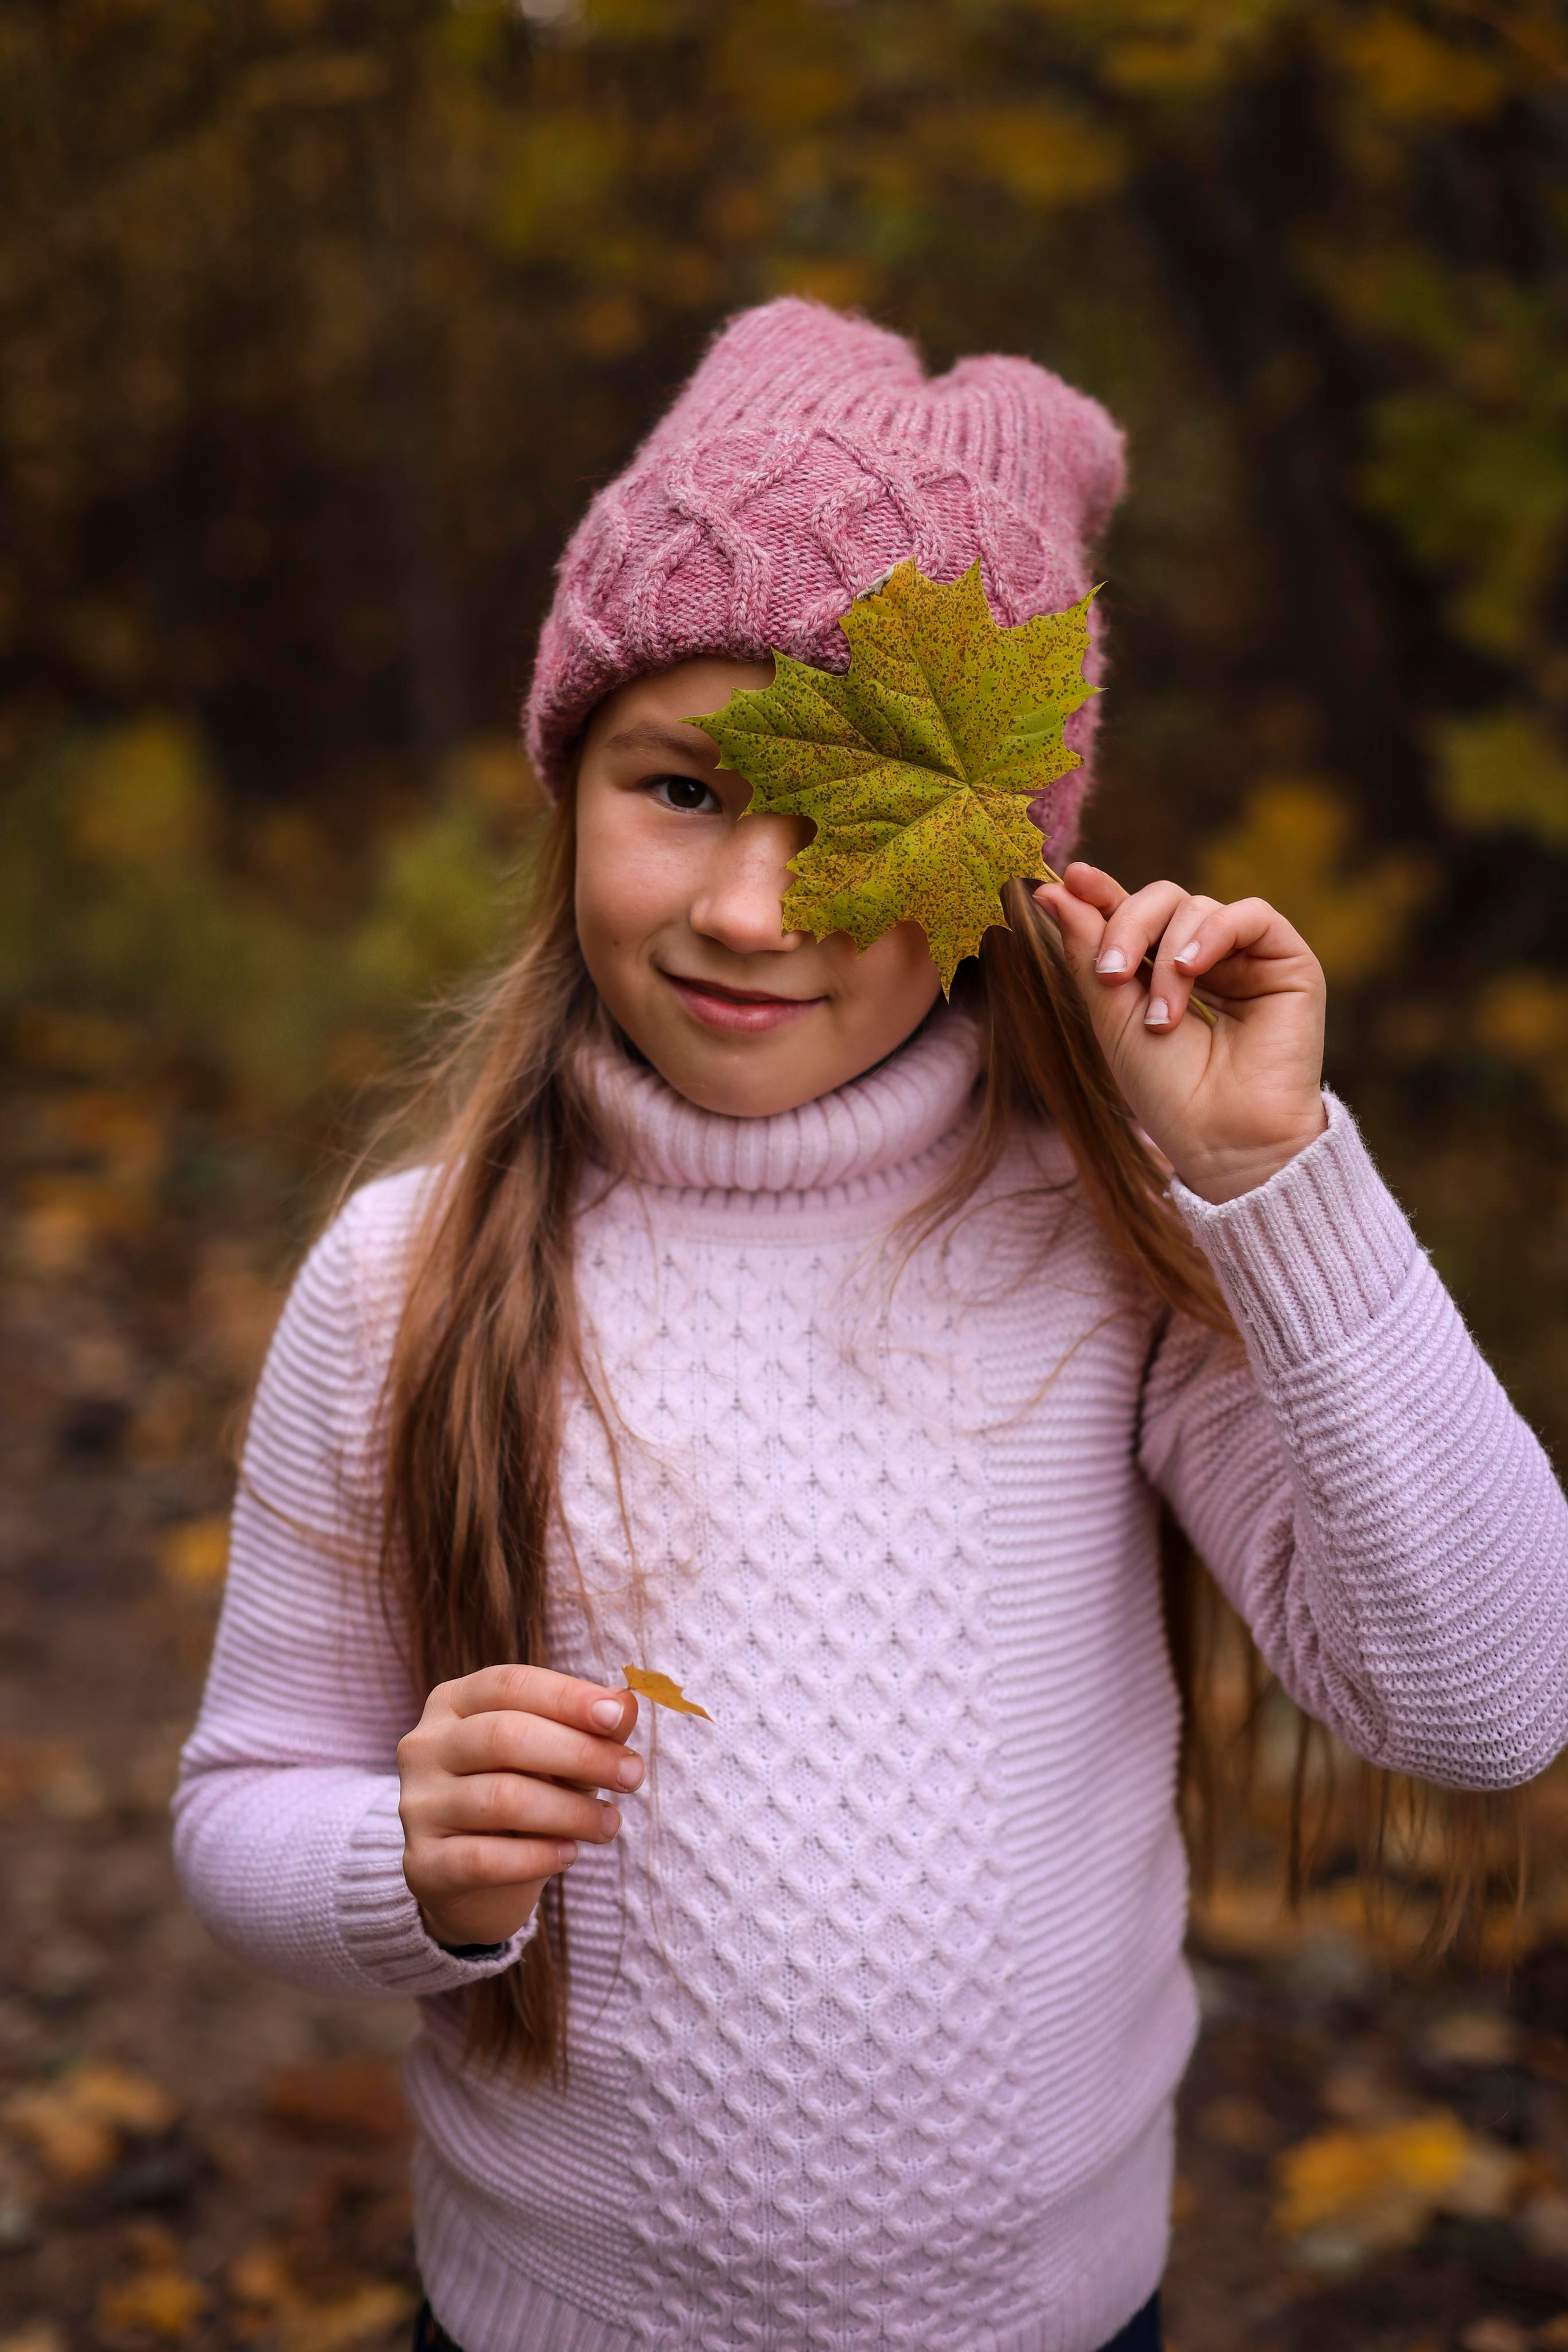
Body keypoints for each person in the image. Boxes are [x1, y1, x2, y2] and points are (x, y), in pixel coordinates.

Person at [172, 300, 1568, 2352]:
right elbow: (241, 1804)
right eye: (679, 787)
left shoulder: (1106, 1248)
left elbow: (1493, 1692)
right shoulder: (409, 1272)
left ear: (1001, 863)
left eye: (852, 821)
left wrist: (1281, 1189)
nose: (750, 907)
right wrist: (413, 1863)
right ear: (568, 784)